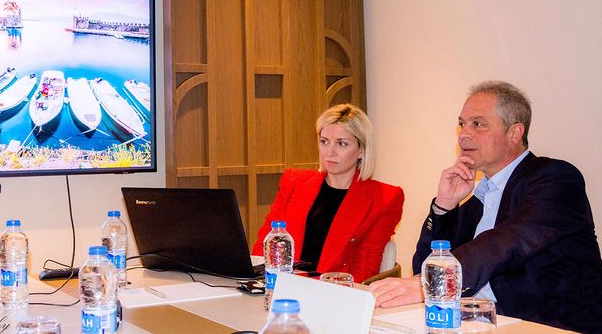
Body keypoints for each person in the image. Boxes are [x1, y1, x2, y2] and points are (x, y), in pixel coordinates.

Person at [369, 81, 602, 332]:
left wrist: (434, 282)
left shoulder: (555, 178)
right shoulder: (476, 199)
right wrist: (445, 206)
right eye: (462, 124)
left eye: (477, 124)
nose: (463, 134)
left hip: (546, 325)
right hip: (476, 323)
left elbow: (509, 241)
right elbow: (426, 264)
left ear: (514, 133)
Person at [252, 104, 404, 283]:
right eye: (324, 142)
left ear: (361, 150)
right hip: (281, 284)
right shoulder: (293, 182)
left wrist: (311, 286)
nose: (329, 152)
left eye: (341, 143)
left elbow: (364, 269)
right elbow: (264, 246)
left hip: (333, 289)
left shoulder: (385, 198)